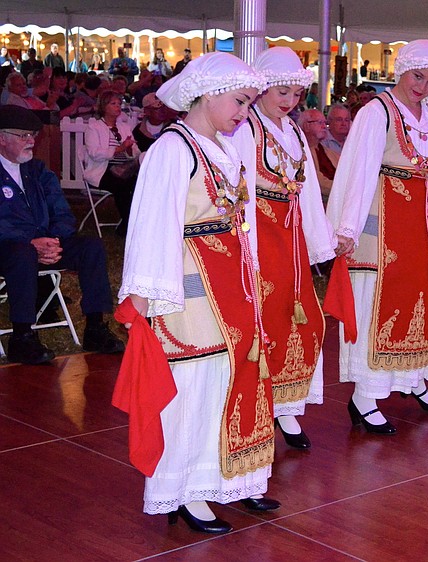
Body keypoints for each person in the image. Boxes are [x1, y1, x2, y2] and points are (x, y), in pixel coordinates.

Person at [118, 51, 278, 533]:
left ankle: (231, 476)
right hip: (190, 289)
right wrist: (145, 297)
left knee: (231, 379)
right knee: (194, 385)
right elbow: (152, 222)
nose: (244, 113)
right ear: (208, 95)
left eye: (249, 103)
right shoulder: (173, 149)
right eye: (239, 101)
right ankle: (185, 490)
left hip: (232, 286)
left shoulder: (224, 147)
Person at [327, 39, 428, 433]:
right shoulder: (376, 112)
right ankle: (365, 396)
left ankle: (412, 378)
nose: (422, 87)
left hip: (423, 226)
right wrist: (347, 227)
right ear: (402, 70)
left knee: (422, 300)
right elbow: (359, 170)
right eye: (417, 76)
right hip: (382, 225)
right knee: (375, 305)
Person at [232, 47, 337, 450]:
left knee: (300, 318)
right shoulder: (247, 129)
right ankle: (262, 402)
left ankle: (287, 405)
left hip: (291, 237)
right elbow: (240, 192)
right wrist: (247, 248)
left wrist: (318, 240)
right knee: (267, 316)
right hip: (262, 232)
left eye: (296, 93)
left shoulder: (292, 130)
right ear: (262, 88)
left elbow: (306, 190)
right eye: (282, 92)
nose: (290, 101)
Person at [0, 105, 124, 365]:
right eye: (23, 136)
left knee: (91, 247)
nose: (31, 141)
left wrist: (54, 242)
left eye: (33, 135)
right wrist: (30, 242)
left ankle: (95, 327)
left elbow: (62, 213)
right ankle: (22, 337)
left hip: (44, 244)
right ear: (2, 138)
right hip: (9, 249)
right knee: (22, 253)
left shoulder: (38, 172)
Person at [83, 91, 140, 235]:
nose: (118, 107)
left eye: (119, 104)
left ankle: (131, 224)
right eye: (113, 104)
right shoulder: (94, 128)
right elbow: (94, 153)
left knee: (139, 183)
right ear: (103, 106)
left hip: (124, 168)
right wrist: (118, 149)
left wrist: (128, 149)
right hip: (103, 170)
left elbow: (135, 151)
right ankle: (129, 225)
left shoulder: (124, 127)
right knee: (122, 186)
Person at [298, 108, 337, 203]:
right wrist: (344, 190)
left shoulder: (329, 152)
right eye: (320, 122)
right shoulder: (299, 152)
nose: (324, 127)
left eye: (325, 123)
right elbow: (318, 182)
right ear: (306, 126)